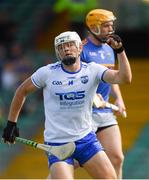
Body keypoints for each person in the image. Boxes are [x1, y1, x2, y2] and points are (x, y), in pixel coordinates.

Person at [2, 31, 131, 179]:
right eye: (61, 47)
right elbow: (21, 91)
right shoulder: (47, 73)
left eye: (70, 45)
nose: (66, 49)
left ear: (79, 48)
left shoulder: (93, 70)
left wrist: (120, 51)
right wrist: (11, 123)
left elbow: (124, 78)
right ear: (58, 52)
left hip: (86, 140)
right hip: (58, 144)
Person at [81, 9, 127, 178]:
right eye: (106, 26)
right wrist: (90, 96)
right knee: (73, 162)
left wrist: (120, 99)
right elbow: (73, 80)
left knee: (117, 158)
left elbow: (112, 77)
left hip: (105, 112)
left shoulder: (109, 49)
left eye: (111, 25)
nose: (110, 29)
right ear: (94, 27)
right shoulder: (81, 50)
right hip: (86, 114)